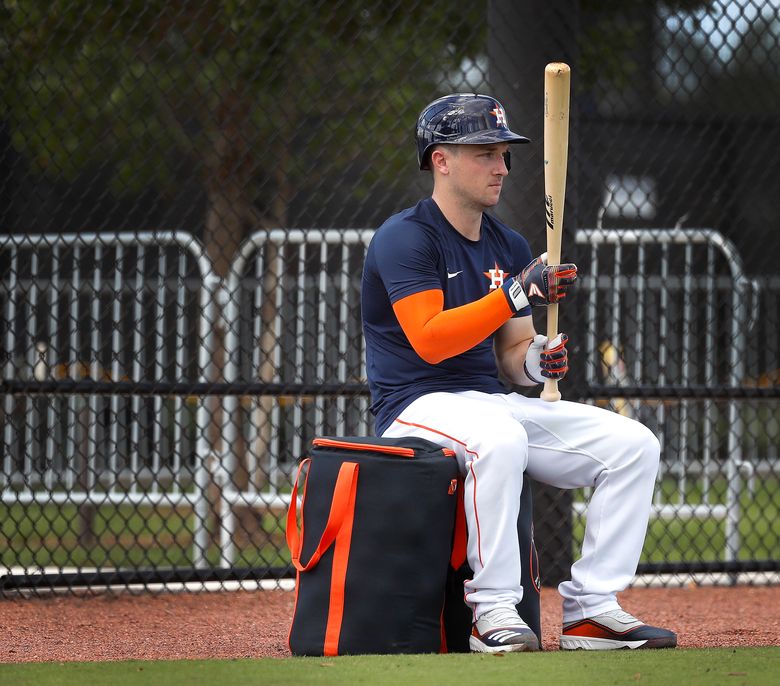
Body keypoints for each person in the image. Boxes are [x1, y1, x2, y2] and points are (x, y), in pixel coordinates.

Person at [360, 93, 677, 653]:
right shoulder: (405, 236)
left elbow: (513, 354)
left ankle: (592, 611)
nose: (502, 166)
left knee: (634, 445)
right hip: (413, 407)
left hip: (487, 404)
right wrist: (513, 292)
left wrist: (538, 361)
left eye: (504, 153)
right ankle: (493, 610)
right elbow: (430, 342)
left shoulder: (509, 243)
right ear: (441, 159)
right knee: (500, 439)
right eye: (485, 152)